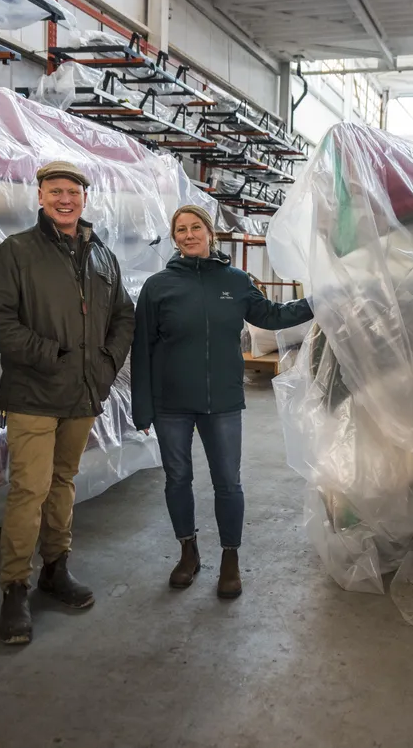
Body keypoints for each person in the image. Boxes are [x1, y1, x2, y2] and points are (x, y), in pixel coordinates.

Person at [0, 160, 135, 645]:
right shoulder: (16, 253)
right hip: (33, 392)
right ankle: (14, 588)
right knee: (30, 489)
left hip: (84, 393)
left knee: (64, 481)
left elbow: (124, 316)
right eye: (55, 191)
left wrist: (107, 364)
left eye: (73, 191)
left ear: (85, 199)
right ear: (41, 197)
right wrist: (51, 355)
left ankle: (55, 568)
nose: (65, 199)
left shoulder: (102, 257)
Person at [131, 205, 314, 598]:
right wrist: (141, 407)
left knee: (227, 483)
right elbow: (142, 347)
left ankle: (230, 558)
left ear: (210, 233)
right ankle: (188, 552)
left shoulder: (235, 280)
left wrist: (319, 301)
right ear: (174, 237)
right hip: (171, 405)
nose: (188, 234)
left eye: (195, 227)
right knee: (178, 479)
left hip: (223, 403)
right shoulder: (158, 286)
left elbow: (272, 315)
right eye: (180, 229)